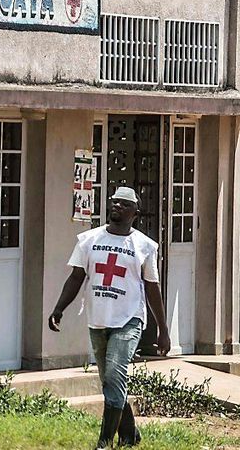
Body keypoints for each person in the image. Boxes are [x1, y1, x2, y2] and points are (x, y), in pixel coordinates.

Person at [48, 186, 171, 449]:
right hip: (98, 319)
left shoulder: (145, 246)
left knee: (115, 375)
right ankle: (130, 435)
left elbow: (152, 287)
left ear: (135, 213)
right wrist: (59, 308)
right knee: (110, 381)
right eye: (115, 202)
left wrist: (163, 329)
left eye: (124, 204)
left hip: (129, 319)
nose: (117, 207)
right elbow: (76, 277)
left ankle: (104, 442)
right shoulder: (88, 240)